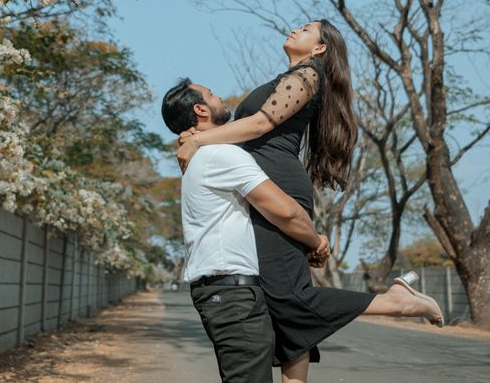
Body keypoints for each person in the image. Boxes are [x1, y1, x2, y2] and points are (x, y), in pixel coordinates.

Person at [177, 20, 444, 383]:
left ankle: (398, 302)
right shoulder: (287, 77)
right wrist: (199, 137)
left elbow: (258, 126)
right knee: (277, 296)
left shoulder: (308, 76)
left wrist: (199, 142)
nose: (294, 30)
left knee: (288, 293)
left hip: (278, 185)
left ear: (319, 48)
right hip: (262, 183)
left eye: (305, 30)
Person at [161, 78, 330, 383]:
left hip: (223, 293)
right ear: (201, 109)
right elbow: (286, 212)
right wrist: (316, 242)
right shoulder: (221, 155)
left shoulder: (203, 154)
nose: (220, 95)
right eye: (212, 94)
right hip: (233, 296)